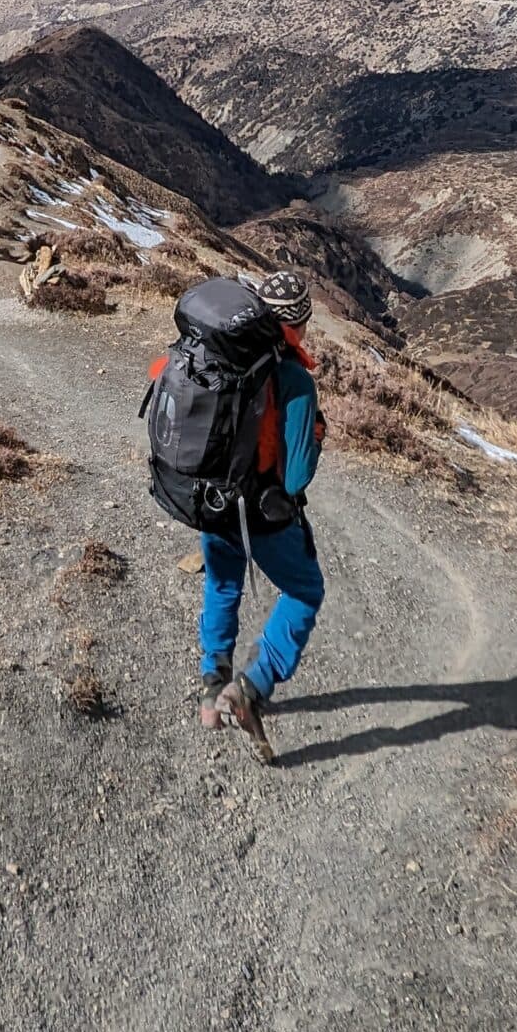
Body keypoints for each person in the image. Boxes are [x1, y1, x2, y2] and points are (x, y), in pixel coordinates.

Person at [196, 269, 324, 763]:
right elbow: (295, 479)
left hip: (212, 502)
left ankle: (213, 686)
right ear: (300, 324)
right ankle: (250, 689)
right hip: (261, 510)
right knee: (305, 591)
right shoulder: (293, 379)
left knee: (222, 583)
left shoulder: (223, 354)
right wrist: (314, 435)